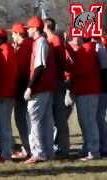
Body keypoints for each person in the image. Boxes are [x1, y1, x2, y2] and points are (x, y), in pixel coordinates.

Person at [24, 16, 58, 164]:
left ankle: (39, 153)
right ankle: (48, 152)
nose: (28, 31)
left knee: (35, 121)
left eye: (29, 28)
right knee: (45, 121)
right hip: (45, 87)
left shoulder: (41, 42)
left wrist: (30, 87)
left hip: (40, 88)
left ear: (35, 29)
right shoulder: (40, 42)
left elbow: (39, 67)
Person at [66, 35, 102, 161]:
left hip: (87, 91)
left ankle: (93, 151)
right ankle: (88, 148)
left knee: (89, 122)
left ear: (82, 38)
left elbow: (80, 70)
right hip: (86, 91)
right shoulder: (87, 49)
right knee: (86, 122)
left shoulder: (86, 50)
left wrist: (69, 68)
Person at [44, 18, 73, 158]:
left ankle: (64, 147)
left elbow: (61, 62)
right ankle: (59, 146)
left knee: (60, 117)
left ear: (46, 26)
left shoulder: (54, 40)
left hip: (57, 82)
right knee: (56, 117)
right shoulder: (53, 40)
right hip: (54, 82)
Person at [0, 28, 17, 161]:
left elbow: (7, 75)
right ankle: (3, 151)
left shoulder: (5, 50)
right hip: (3, 93)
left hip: (4, 94)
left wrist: (2, 93)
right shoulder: (3, 50)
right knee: (2, 125)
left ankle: (7, 154)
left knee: (4, 125)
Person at [11, 22, 33, 159]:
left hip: (23, 87)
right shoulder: (27, 45)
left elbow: (20, 71)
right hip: (29, 86)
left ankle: (28, 148)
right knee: (27, 119)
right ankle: (29, 147)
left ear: (19, 34)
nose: (12, 36)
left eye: (13, 33)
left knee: (22, 119)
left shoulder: (24, 47)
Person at [93, 37, 107, 157]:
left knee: (99, 118)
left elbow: (103, 69)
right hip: (101, 86)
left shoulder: (100, 48)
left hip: (102, 87)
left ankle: (103, 146)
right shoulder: (100, 47)